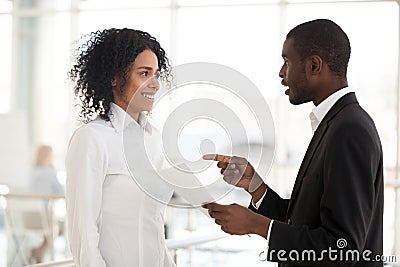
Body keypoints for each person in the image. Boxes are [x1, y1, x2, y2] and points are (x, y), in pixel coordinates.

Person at [202, 19, 383, 267]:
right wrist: (256, 188)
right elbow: (308, 221)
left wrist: (258, 225)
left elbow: (343, 249)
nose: (280, 72)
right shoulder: (337, 123)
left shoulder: (349, 130)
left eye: (287, 62)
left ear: (314, 65)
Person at [66, 28, 175, 267]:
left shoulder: (153, 139)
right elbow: (84, 234)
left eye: (156, 74)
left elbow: (155, 225)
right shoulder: (92, 139)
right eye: (144, 73)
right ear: (115, 77)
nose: (155, 84)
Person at [28, 145, 64, 263]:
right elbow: (61, 192)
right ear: (49, 156)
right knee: (61, 227)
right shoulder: (50, 172)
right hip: (44, 216)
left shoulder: (33, 171)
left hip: (28, 217)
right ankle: (39, 252)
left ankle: (39, 252)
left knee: (49, 230)